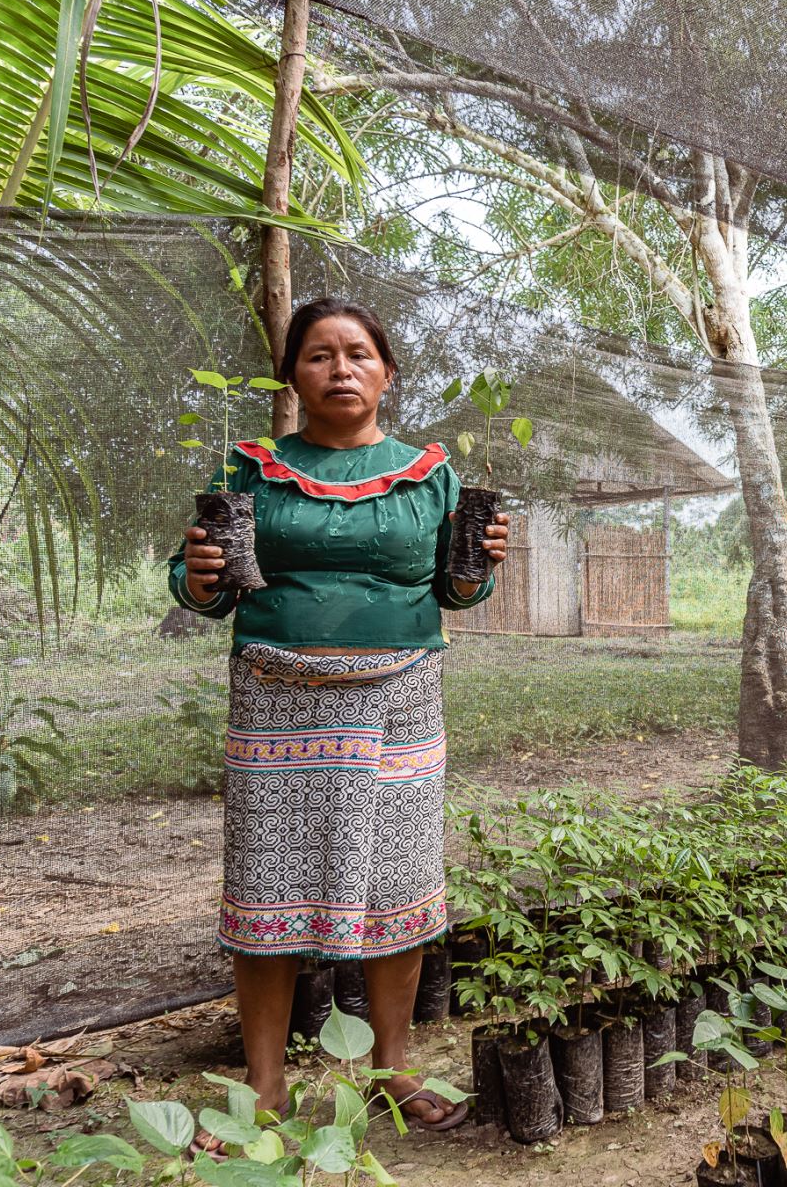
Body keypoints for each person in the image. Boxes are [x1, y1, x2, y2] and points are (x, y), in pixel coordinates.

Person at [168, 298, 507, 1145]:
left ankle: (392, 1069)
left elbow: (457, 591)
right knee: (266, 883)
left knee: (397, 876)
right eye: (319, 355)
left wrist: (480, 568)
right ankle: (268, 1085)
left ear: (387, 371)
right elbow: (199, 587)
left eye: (358, 353)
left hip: (399, 700)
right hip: (277, 699)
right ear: (293, 377)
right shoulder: (250, 471)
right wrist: (202, 576)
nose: (341, 369)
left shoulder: (431, 474)